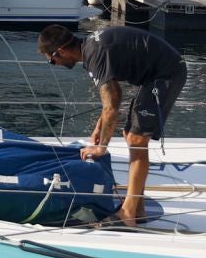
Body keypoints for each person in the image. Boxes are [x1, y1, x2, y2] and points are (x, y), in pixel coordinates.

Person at [39, 23, 186, 227]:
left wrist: (102, 147)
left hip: (166, 74)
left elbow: (112, 102)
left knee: (137, 139)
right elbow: (113, 98)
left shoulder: (95, 55)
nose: (54, 63)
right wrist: (100, 126)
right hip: (154, 76)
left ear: (61, 51)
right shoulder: (92, 48)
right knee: (130, 134)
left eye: (52, 61)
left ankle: (128, 213)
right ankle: (138, 208)